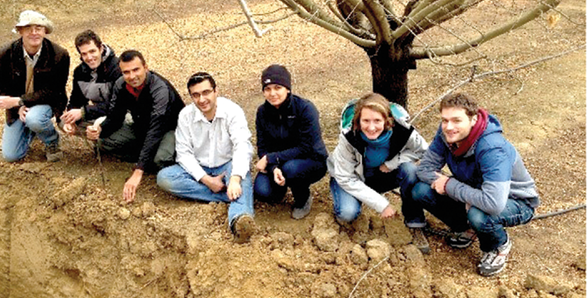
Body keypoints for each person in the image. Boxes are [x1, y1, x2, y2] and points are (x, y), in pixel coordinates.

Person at [412, 92, 539, 276]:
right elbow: (424, 169)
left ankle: (498, 245)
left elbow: (494, 203)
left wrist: (450, 185)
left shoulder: (492, 148)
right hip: (475, 192)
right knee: (420, 190)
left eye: (456, 120)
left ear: (473, 119)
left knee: (479, 214)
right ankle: (468, 228)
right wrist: (450, 186)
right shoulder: (446, 135)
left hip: (515, 201)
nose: (449, 127)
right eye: (444, 120)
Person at [157, 72, 255, 243]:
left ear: (216, 91)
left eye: (206, 92)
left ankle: (238, 221)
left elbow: (242, 146)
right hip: (200, 167)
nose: (202, 99)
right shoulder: (186, 115)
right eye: (196, 95)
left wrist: (235, 179)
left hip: (227, 166)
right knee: (165, 178)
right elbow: (183, 152)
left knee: (241, 176)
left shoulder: (232, 111)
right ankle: (232, 196)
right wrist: (207, 180)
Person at [328, 93, 429, 250]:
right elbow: (346, 177)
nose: (371, 127)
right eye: (366, 121)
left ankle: (414, 222)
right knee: (347, 213)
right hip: (351, 178)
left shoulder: (402, 131)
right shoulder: (348, 137)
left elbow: (423, 151)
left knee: (410, 170)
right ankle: (351, 208)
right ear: (358, 121)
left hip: (379, 175)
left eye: (377, 121)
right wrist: (381, 204)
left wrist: (393, 163)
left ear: (387, 121)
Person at [86, 50, 184, 203]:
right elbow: (115, 118)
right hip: (140, 127)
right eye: (126, 72)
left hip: (168, 130)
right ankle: (144, 158)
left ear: (145, 67)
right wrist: (100, 129)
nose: (132, 76)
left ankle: (146, 161)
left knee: (161, 159)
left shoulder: (160, 89)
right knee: (103, 141)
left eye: (136, 70)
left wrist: (138, 172)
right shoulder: (121, 85)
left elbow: (155, 130)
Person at [0, 10, 70, 162]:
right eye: (28, 28)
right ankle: (32, 130)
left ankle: (51, 141)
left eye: (38, 28)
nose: (34, 33)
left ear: (45, 31)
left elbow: (55, 90)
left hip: (45, 103)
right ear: (20, 31)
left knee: (35, 119)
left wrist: (20, 101)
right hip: (17, 108)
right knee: (12, 156)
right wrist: (17, 107)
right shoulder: (4, 53)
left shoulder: (59, 55)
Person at [254, 64, 327, 219]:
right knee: (263, 191)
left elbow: (306, 147)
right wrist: (273, 167)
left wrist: (270, 159)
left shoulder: (305, 109)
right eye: (267, 89)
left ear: (287, 88)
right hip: (280, 162)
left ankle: (303, 199)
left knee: (291, 169)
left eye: (277, 87)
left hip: (312, 160)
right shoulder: (262, 112)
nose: (272, 93)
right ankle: (280, 186)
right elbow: (263, 146)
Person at [60, 30, 121, 135]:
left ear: (101, 49)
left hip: (120, 114)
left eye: (92, 51)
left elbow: (117, 105)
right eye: (84, 54)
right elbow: (76, 100)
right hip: (99, 112)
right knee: (63, 121)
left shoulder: (117, 68)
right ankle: (99, 138)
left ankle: (110, 143)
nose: (89, 57)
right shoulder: (80, 71)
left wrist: (83, 112)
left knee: (106, 127)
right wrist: (71, 118)